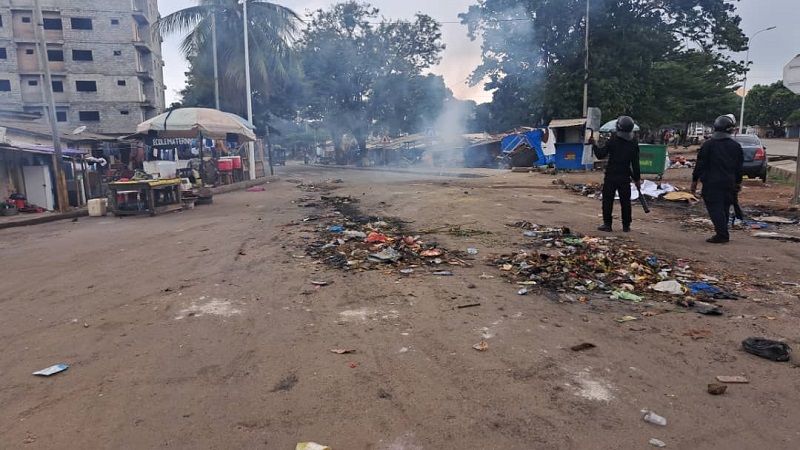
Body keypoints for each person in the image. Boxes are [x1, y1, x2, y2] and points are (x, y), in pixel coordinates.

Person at [690, 114, 744, 243]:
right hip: (729, 182)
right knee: (724, 207)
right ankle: (722, 231)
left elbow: (700, 165)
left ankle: (722, 235)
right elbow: (739, 168)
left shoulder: (708, 145)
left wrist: (694, 181)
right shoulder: (736, 146)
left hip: (711, 182)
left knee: (715, 208)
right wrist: (738, 183)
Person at [589, 115, 642, 232]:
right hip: (625, 176)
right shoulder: (633, 143)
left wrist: (594, 144)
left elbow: (600, 154)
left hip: (611, 175)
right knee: (625, 202)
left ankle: (607, 224)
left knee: (608, 200)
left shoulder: (612, 141)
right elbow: (635, 164)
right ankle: (626, 226)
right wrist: (637, 179)